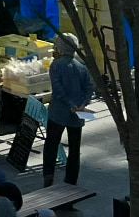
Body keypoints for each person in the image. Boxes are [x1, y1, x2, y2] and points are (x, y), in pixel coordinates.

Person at [42, 34, 94, 188]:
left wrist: (70, 103)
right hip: (78, 114)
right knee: (74, 149)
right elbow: (89, 88)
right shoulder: (81, 67)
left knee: (51, 144)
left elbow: (58, 90)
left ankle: (48, 177)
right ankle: (71, 181)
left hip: (58, 112)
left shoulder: (56, 65)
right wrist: (82, 104)